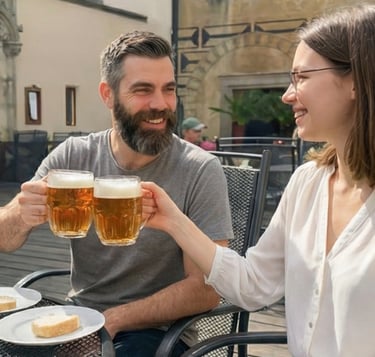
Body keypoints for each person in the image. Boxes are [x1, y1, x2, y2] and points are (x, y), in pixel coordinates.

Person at [141, 5, 375, 356]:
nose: (287, 94)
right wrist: (174, 221)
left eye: (302, 77)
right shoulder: (307, 184)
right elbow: (253, 286)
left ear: (357, 80)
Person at [0, 31, 233, 356]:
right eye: (143, 90)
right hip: (80, 316)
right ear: (107, 94)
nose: (160, 104)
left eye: (169, 90)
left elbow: (205, 290)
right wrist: (19, 215)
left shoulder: (198, 169)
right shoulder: (72, 157)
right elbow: (5, 239)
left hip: (159, 332)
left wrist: (112, 321)